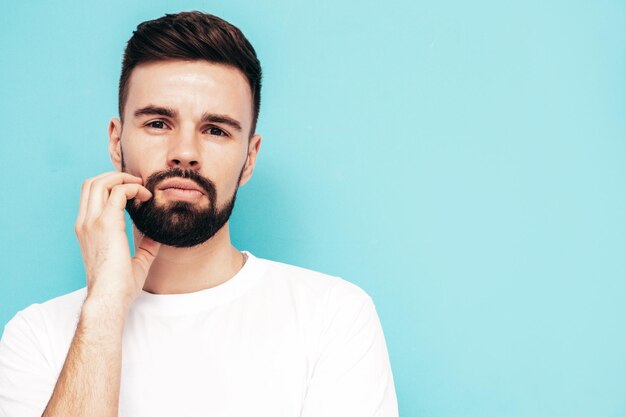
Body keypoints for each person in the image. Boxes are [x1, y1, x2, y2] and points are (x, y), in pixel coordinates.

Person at [0, 11, 398, 417]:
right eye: (158, 123)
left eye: (216, 130)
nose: (186, 152)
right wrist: (103, 311)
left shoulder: (333, 317)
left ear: (249, 159)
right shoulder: (37, 336)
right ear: (117, 143)